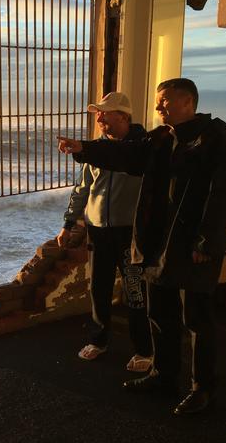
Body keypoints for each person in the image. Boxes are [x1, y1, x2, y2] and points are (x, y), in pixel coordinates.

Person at [57, 78, 226, 416]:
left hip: (194, 245)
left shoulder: (217, 138)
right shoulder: (161, 138)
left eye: (164, 101)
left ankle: (203, 389)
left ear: (187, 102)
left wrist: (208, 243)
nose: (157, 107)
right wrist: (83, 148)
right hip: (157, 242)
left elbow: (225, 196)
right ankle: (163, 376)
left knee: (196, 318)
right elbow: (127, 154)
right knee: (160, 313)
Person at [57, 92, 152, 372]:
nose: (98, 117)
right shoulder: (96, 150)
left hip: (130, 233)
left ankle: (145, 349)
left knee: (135, 292)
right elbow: (82, 189)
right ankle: (99, 340)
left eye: (104, 113)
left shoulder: (142, 149)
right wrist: (68, 222)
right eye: (97, 113)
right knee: (98, 288)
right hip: (98, 232)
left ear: (123, 116)